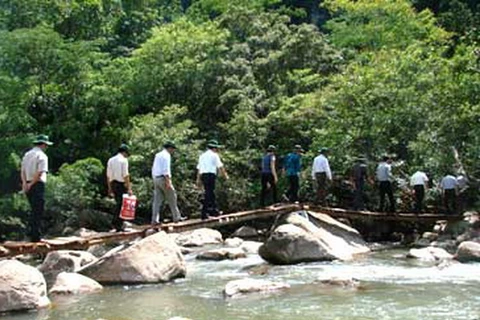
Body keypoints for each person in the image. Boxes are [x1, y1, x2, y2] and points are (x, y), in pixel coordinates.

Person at [21, 134, 53, 242]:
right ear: (43, 145)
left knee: (33, 209)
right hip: (37, 184)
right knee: (38, 210)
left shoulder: (27, 155)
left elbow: (23, 171)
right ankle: (35, 236)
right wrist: (31, 184)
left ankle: (30, 233)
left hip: (28, 182)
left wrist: (25, 184)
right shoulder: (42, 156)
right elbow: (40, 172)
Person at [151, 141, 185, 224]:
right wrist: (168, 181)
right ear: (169, 148)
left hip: (156, 178)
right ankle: (176, 217)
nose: (173, 151)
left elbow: (154, 168)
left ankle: (154, 220)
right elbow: (166, 169)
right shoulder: (166, 155)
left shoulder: (158, 155)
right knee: (172, 197)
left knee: (157, 201)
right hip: (163, 178)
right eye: (172, 149)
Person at [196, 140, 228, 220]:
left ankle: (214, 211)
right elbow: (220, 166)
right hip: (210, 175)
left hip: (204, 175)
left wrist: (198, 179)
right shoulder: (214, 155)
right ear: (214, 148)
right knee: (209, 193)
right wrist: (225, 175)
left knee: (210, 193)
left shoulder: (202, 156)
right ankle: (204, 213)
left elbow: (199, 168)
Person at [106, 143, 132, 231]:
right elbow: (126, 175)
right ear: (125, 152)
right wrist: (129, 188)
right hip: (121, 184)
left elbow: (108, 176)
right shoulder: (124, 160)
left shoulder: (111, 160)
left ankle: (116, 224)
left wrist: (109, 188)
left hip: (113, 183)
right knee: (121, 205)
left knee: (118, 203)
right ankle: (117, 224)